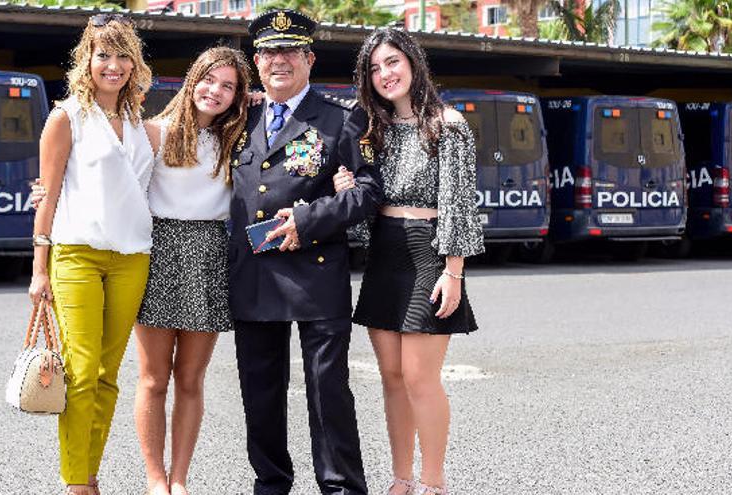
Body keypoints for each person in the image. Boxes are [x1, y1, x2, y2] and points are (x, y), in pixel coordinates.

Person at [229, 9, 383, 495]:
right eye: (270, 53)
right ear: (256, 61)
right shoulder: (240, 117)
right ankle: (271, 484)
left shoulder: (341, 119)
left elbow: (367, 191)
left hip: (315, 274)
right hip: (253, 275)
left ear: (309, 59)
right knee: (261, 392)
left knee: (327, 392)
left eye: (290, 52)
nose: (279, 61)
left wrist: (308, 220)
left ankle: (340, 488)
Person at [333, 28, 484, 495]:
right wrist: (346, 194)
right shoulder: (371, 132)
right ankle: (402, 480)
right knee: (392, 377)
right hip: (384, 251)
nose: (385, 74)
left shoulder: (448, 124)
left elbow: (459, 203)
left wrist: (453, 271)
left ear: (413, 62)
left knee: (421, 378)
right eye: (375, 68)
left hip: (428, 253)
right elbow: (363, 205)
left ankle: (434, 484)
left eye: (393, 62)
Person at [27, 14, 154, 495]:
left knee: (107, 376)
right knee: (79, 374)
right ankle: (75, 483)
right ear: (87, 59)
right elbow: (49, 194)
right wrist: (40, 270)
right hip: (77, 255)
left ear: (133, 63)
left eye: (123, 55)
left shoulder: (141, 120)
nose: (114, 65)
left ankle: (90, 472)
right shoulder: (66, 117)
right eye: (104, 54)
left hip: (132, 258)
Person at [133, 46, 251, 495]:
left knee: (190, 379)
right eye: (209, 80)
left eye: (228, 86)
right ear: (191, 79)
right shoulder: (154, 133)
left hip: (210, 254)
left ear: (239, 96)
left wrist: (257, 102)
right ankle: (155, 479)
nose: (215, 91)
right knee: (153, 377)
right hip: (159, 250)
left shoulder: (238, 137)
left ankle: (180, 478)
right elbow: (119, 187)